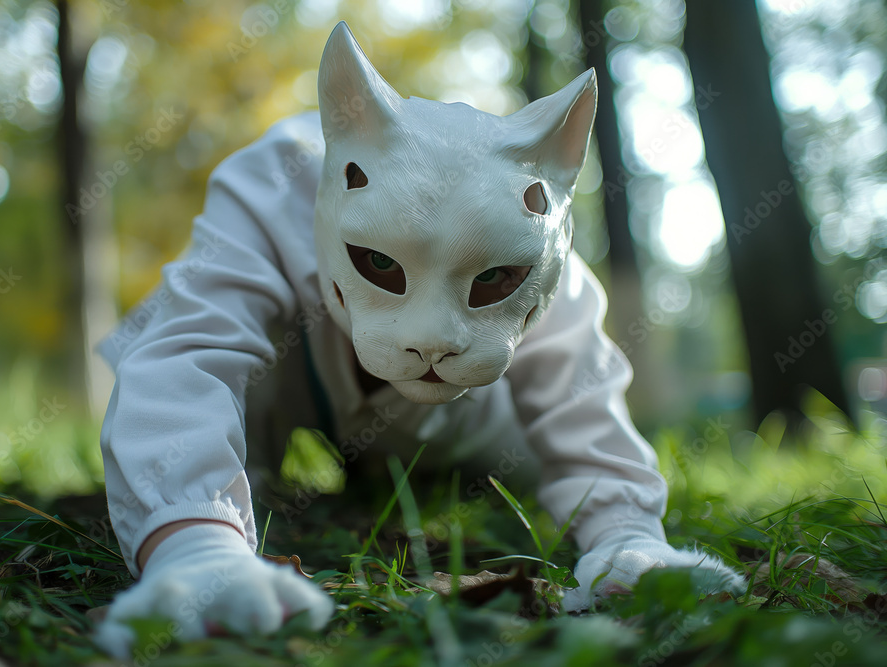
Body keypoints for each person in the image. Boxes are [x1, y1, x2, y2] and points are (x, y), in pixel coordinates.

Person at [93, 21, 745, 659]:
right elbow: (186, 346)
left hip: (474, 427)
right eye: (379, 264)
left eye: (495, 277)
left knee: (526, 439)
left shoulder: (541, 230)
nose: (432, 338)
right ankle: (241, 481)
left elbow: (580, 390)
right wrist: (194, 542)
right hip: (293, 387)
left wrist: (627, 536)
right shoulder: (274, 185)